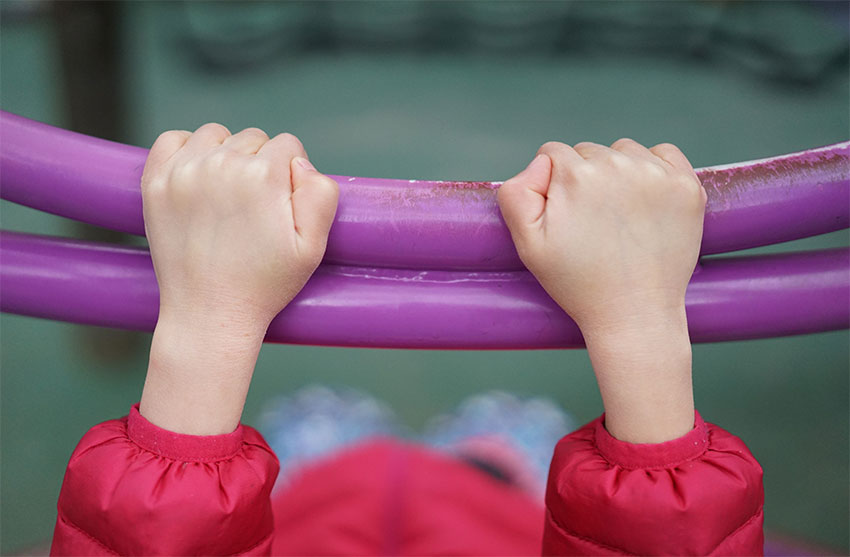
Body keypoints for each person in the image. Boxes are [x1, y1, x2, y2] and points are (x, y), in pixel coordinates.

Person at [50, 124, 764, 556]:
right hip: (500, 510)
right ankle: (474, 455)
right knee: (503, 428)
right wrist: (637, 319)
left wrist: (209, 317)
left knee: (327, 423)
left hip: (306, 506)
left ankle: (377, 451)